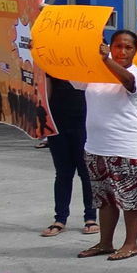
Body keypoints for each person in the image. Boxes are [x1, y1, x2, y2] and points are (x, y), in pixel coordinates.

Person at [74, 30, 137, 261]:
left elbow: (128, 83)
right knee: (104, 199)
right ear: (110, 46)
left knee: (131, 199)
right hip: (97, 146)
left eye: (128, 47)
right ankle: (105, 242)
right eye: (118, 46)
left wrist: (105, 59)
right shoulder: (95, 73)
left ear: (135, 51)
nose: (122, 51)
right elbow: (69, 75)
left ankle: (131, 243)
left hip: (127, 146)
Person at [41, 77, 98, 236]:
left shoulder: (87, 62)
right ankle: (60, 218)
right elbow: (46, 91)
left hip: (85, 120)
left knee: (86, 172)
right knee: (63, 173)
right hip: (58, 120)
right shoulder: (52, 63)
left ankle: (91, 217)